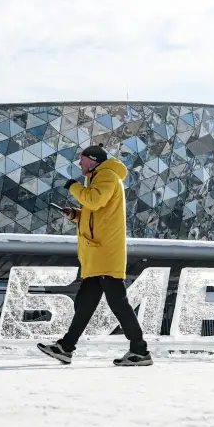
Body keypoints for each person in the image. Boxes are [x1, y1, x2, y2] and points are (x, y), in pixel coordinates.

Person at [38, 144, 153, 366]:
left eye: (82, 160)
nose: (79, 163)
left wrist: (73, 187)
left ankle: (140, 350)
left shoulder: (107, 176)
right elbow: (95, 214)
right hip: (98, 252)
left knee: (118, 303)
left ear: (92, 160)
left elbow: (94, 201)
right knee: (85, 302)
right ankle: (66, 347)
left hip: (105, 253)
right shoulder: (99, 178)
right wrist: (75, 215)